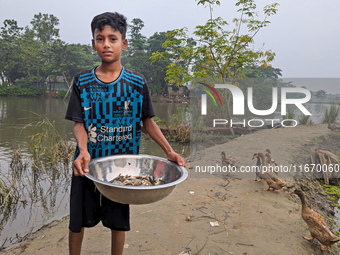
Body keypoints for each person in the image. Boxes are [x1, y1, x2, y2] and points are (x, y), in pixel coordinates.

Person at [65, 12, 185, 255]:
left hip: (122, 166)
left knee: (118, 221)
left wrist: (169, 151)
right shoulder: (82, 81)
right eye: (100, 39)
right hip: (86, 164)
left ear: (124, 43)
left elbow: (147, 122)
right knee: (77, 220)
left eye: (113, 38)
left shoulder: (136, 83)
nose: (106, 44)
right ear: (93, 44)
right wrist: (84, 150)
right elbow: (79, 122)